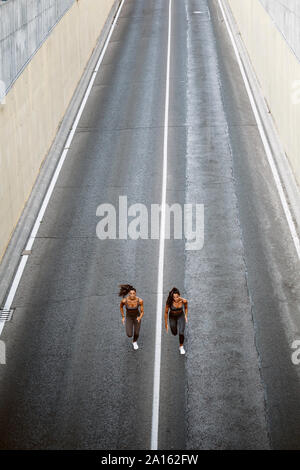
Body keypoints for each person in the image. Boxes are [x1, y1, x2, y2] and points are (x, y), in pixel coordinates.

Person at [119, 284, 144, 350]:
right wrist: (123, 317)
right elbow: (121, 307)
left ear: (136, 293)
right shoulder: (124, 301)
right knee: (129, 334)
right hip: (129, 317)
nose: (132, 295)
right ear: (128, 294)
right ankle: (132, 338)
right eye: (130, 293)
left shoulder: (140, 301)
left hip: (137, 316)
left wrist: (140, 317)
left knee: (136, 333)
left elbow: (142, 312)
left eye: (133, 293)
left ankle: (134, 341)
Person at [164, 287, 188, 355]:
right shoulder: (169, 302)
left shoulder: (183, 301)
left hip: (181, 316)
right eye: (174, 297)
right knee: (174, 333)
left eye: (177, 297)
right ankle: (176, 325)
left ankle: (181, 346)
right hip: (172, 317)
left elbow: (186, 308)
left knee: (181, 332)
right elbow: (166, 312)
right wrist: (166, 323)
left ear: (179, 295)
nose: (176, 298)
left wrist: (186, 315)